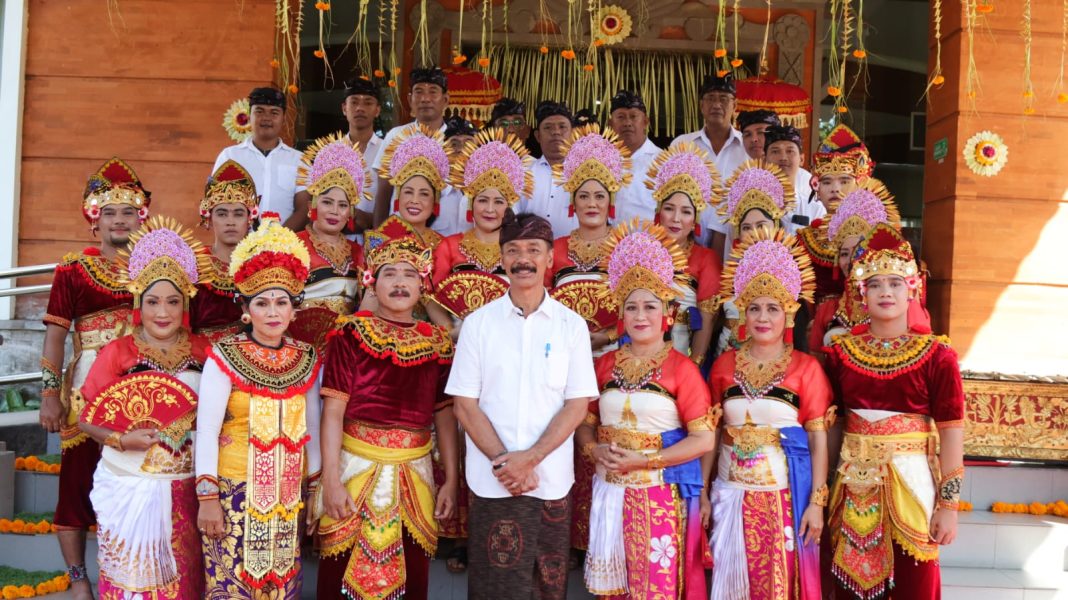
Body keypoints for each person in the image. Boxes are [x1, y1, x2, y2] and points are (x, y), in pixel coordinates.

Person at [446, 213, 599, 600]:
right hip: (493, 480)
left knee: (546, 587)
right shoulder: (478, 324)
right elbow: (464, 405)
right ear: (502, 259)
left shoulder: (571, 326)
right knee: (493, 588)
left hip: (548, 481)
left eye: (533, 250)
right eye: (513, 250)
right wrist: (505, 461)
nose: (523, 259)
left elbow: (577, 404)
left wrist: (530, 458)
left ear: (550, 258)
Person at [315, 226, 458, 600]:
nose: (399, 282)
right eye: (389, 273)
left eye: (409, 273)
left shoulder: (438, 342)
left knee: (412, 575)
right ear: (371, 283)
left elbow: (444, 414)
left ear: (422, 285)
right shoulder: (350, 334)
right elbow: (333, 412)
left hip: (417, 472)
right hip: (354, 469)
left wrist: (452, 478)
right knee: (339, 570)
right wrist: (330, 479)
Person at [577, 220, 716, 599]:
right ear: (620, 314)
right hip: (608, 490)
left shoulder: (682, 369)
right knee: (613, 588)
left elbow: (704, 438)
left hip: (659, 495)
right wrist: (594, 450)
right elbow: (584, 423)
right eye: (632, 306)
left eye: (650, 306)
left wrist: (646, 461)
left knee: (654, 587)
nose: (641, 315)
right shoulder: (604, 365)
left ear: (667, 313)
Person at [825, 223, 964, 600]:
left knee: (913, 583)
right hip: (851, 484)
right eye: (875, 284)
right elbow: (834, 426)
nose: (885, 291)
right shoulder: (840, 354)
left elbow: (952, 431)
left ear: (912, 289)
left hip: (913, 483)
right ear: (861, 292)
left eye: (895, 283)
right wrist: (822, 492)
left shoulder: (938, 356)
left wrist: (948, 505)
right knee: (849, 584)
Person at [78, 217, 211, 599]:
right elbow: (88, 418)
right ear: (139, 302)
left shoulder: (206, 352)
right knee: (133, 584)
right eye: (153, 301)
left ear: (185, 302)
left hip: (188, 485)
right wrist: (121, 438)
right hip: (129, 482)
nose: (163, 312)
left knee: (185, 581)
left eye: (173, 301)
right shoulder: (117, 352)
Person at [195, 215, 322, 598]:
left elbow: (311, 428)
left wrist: (313, 491)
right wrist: (207, 499)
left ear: (294, 309)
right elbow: (206, 431)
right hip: (233, 494)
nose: (272, 311)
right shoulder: (224, 356)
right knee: (232, 588)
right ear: (246, 309)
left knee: (280, 587)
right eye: (262, 303)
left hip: (287, 496)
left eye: (282, 302)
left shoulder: (307, 358)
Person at [39, 157, 148, 598]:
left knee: (138, 485)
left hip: (142, 393)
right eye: (109, 212)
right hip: (87, 394)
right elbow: (54, 336)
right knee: (76, 489)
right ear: (94, 218)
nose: (118, 220)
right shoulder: (73, 269)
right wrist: (49, 394)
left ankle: (128, 575)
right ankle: (80, 580)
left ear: (139, 217)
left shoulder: (155, 266)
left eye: (127, 212)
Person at [708, 227, 830, 600]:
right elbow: (711, 434)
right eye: (755, 307)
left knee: (776, 588)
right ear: (743, 311)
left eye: (773, 308)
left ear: (789, 314)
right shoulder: (723, 365)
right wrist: (701, 494)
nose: (763, 317)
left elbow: (817, 440)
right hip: (730, 493)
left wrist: (816, 503)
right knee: (730, 583)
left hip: (783, 498)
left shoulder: (805, 369)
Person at [431, 127, 533, 327]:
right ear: (471, 203)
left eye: (498, 202)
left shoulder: (519, 250)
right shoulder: (449, 246)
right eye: (483, 200)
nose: (489, 209)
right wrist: (452, 333)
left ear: (509, 206)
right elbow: (431, 297)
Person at [549, 123, 631, 357]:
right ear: (573, 202)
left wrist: (609, 335)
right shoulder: (555, 248)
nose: (591, 204)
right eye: (583, 196)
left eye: (599, 196)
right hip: (562, 350)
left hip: (613, 353)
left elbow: (637, 306)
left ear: (610, 201)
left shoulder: (625, 250)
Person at [289, 134, 368, 352]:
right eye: (327, 202)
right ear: (311, 205)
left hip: (343, 352)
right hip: (297, 347)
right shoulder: (292, 246)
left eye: (342, 205)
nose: (334, 211)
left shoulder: (359, 252)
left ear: (350, 213)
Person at [807, 180, 902, 359]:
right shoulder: (828, 309)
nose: (850, 261)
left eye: (859, 251)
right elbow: (817, 365)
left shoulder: (895, 304)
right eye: (844, 253)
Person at [646, 143, 723, 362]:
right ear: (658, 212)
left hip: (682, 358)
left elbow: (706, 322)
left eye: (686, 211)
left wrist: (693, 370)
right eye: (669, 208)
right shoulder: (640, 252)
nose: (676, 218)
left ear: (695, 221)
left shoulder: (706, 259)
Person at [713, 160, 796, 354]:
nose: (752, 233)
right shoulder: (731, 270)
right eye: (746, 228)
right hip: (727, 354)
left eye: (760, 225)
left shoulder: (791, 269)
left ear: (775, 226)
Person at [289, 77, 384, 235]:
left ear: (377, 110)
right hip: (332, 239)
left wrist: (368, 219)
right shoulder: (328, 152)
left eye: (368, 102)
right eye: (354, 102)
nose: (360, 108)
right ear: (344, 108)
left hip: (375, 241)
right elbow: (315, 200)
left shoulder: (388, 151)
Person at [797, 123, 875, 305]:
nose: (835, 189)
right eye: (827, 182)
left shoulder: (876, 235)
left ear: (861, 184)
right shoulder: (805, 240)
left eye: (844, 181)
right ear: (817, 188)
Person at [671, 73, 748, 250]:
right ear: (701, 106)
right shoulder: (682, 144)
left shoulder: (747, 148)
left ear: (734, 105)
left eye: (723, 99)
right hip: (685, 245)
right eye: (710, 98)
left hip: (733, 246)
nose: (716, 105)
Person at [191, 160, 260, 343]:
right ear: (209, 218)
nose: (230, 221)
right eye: (222, 214)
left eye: (238, 214)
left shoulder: (262, 264)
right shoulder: (193, 263)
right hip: (202, 358)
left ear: (250, 218)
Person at [213, 86, 304, 225]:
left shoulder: (299, 160)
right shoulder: (230, 156)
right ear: (249, 115)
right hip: (239, 243)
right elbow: (217, 203)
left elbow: (304, 208)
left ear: (284, 118)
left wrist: (280, 237)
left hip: (285, 243)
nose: (266, 118)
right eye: (259, 111)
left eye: (274, 113)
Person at [373, 67, 450, 227]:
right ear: (409, 100)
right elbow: (383, 193)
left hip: (447, 231)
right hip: (401, 230)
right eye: (419, 92)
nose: (425, 99)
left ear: (445, 100)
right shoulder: (396, 136)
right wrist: (378, 236)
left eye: (433, 91)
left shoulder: (457, 140)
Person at [518, 101, 576, 239]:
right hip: (531, 253)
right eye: (548, 127)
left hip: (574, 254)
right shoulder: (522, 171)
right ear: (538, 136)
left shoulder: (585, 174)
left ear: (573, 134)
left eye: (562, 127)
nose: (556, 132)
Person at [609, 90, 662, 224]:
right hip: (606, 241)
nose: (627, 123)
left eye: (633, 116)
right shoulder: (601, 159)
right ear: (610, 124)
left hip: (649, 241)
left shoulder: (664, 161)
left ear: (645, 122)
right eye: (620, 117)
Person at [764, 125, 827, 234]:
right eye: (775, 151)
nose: (783, 158)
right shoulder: (751, 205)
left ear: (801, 159)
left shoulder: (814, 209)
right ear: (764, 160)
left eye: (790, 151)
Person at [434, 116, 479, 238]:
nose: (461, 149)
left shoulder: (487, 191)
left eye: (468, 143)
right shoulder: (431, 190)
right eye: (454, 143)